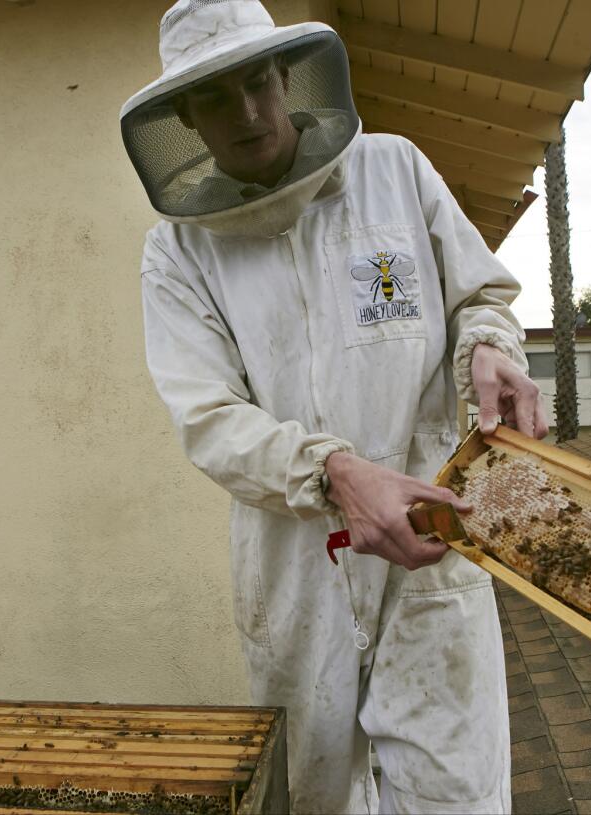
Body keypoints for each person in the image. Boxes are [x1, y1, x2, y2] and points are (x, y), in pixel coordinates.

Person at [120, 2, 548, 812]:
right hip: (295, 572)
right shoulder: (178, 251)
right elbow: (208, 416)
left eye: (257, 82)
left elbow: (481, 295)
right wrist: (335, 470)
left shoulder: (394, 171)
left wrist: (488, 344)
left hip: (432, 539)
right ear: (183, 117)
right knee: (314, 796)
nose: (247, 113)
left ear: (286, 77)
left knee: (456, 794)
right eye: (216, 98)